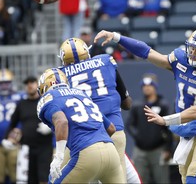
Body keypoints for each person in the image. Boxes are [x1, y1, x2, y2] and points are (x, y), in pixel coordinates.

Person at [94, 27, 196, 184]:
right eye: (192, 48)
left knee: (195, 178)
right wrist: (116, 37)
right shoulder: (180, 60)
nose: (193, 54)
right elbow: (147, 52)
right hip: (186, 130)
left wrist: (165, 120)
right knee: (185, 178)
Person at [58, 38, 141, 183]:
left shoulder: (60, 75)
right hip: (115, 131)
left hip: (83, 136)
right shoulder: (105, 61)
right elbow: (127, 104)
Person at [37, 68, 125, 183]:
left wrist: (59, 157)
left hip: (86, 153)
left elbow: (62, 122)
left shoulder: (49, 98)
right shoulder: (81, 94)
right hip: (111, 151)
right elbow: (111, 128)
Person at [2, 76, 53, 184]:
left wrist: (50, 126)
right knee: (30, 179)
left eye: (32, 82)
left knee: (44, 177)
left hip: (44, 146)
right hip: (27, 147)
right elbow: (13, 123)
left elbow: (56, 118)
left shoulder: (45, 101)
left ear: (37, 84)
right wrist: (6, 138)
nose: (29, 85)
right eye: (27, 83)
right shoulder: (21, 104)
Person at [127, 73, 173, 183]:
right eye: (144, 85)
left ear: (155, 86)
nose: (146, 88)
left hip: (158, 149)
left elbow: (169, 127)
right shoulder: (137, 105)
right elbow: (129, 125)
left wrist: (168, 149)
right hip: (140, 150)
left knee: (162, 180)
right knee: (139, 180)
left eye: (150, 85)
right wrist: (138, 137)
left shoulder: (163, 105)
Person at [0, 68, 25, 183]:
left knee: (15, 176)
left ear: (12, 82)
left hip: (14, 142)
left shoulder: (20, 97)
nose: (4, 86)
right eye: (1, 83)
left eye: (7, 83)